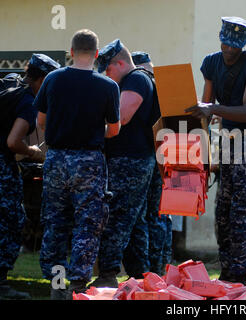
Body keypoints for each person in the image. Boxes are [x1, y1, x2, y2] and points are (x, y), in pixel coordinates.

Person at [35, 29, 121, 299]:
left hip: (57, 158)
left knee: (56, 221)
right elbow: (115, 130)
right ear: (97, 55)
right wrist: (95, 131)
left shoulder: (52, 79)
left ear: (71, 52)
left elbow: (40, 121)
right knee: (88, 223)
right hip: (89, 161)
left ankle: (56, 284)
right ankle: (77, 285)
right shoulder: (108, 86)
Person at [185, 17, 246, 285]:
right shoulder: (211, 62)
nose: (229, 51)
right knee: (223, 213)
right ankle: (228, 272)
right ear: (220, 39)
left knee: (242, 215)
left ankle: (241, 278)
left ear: (243, 45)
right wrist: (201, 154)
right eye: (226, 45)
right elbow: (204, 109)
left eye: (235, 47)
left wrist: (213, 109)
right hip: (227, 142)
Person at [90, 40, 157, 287]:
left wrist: (85, 129)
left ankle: (107, 275)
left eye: (108, 70)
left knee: (117, 216)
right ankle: (141, 277)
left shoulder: (136, 79)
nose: (106, 76)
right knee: (134, 221)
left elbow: (122, 117)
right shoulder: (129, 80)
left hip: (131, 161)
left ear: (120, 63)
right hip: (130, 160)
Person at [0, 54, 59, 299]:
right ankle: (1, 284)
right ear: (43, 79)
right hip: (3, 167)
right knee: (10, 220)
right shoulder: (27, 100)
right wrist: (32, 152)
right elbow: (13, 141)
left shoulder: (10, 87)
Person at [122, 51, 172, 276]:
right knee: (161, 215)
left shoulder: (139, 84)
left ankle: (143, 272)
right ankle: (159, 268)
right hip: (165, 159)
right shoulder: (166, 87)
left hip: (142, 159)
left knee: (141, 216)